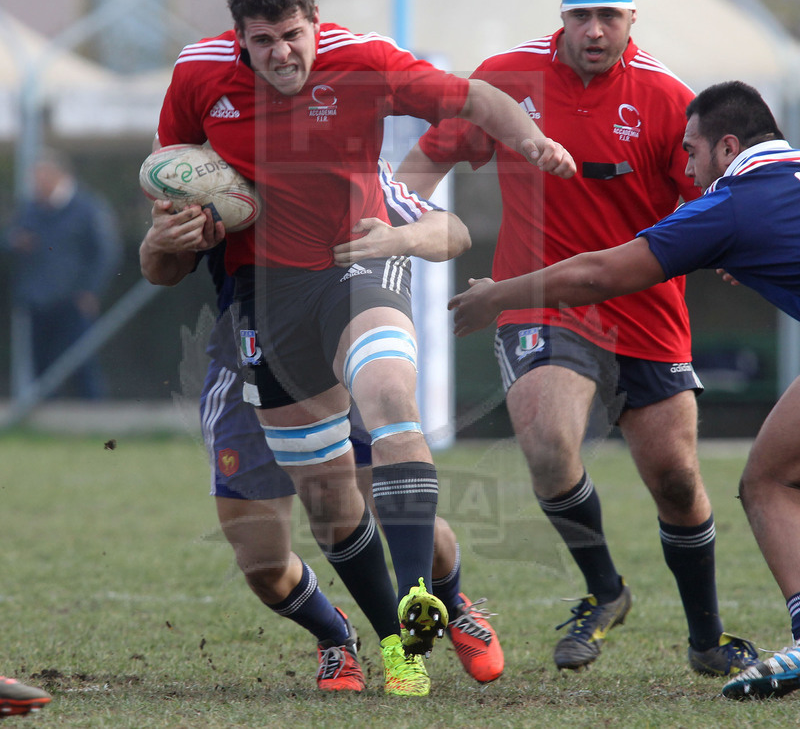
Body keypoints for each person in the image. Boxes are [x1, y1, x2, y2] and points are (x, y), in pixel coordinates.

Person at [152, 0, 573, 695]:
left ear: (316, 25)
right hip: (258, 302)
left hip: (355, 267)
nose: (281, 53)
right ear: (239, 40)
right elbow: (169, 198)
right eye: (262, 42)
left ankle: (432, 599)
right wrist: (166, 237)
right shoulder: (199, 78)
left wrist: (529, 142)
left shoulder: (364, 73)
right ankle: (375, 640)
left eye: (291, 35)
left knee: (388, 400)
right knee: (313, 510)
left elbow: (468, 128)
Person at [397, 0, 757, 676]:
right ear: (560, 15)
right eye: (580, 15)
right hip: (540, 302)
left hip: (646, 309)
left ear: (632, 16)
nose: (594, 30)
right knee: (547, 441)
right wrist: (391, 217)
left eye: (608, 16)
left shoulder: (667, 99)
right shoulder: (505, 80)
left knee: (677, 479)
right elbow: (428, 157)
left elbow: (708, 202)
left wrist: (733, 247)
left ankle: (706, 641)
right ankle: (603, 592)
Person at [446, 80, 800, 700]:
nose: (686, 167)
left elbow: (598, 272)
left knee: (768, 483)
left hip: (631, 327)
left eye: (691, 152)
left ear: (727, 146)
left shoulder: (732, 203)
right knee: (767, 477)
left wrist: (496, 296)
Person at [139, 159, 505, 694]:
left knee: (395, 512)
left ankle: (447, 604)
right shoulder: (216, 172)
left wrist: (396, 238)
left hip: (333, 347)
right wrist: (161, 238)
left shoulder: (334, 153)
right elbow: (160, 269)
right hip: (246, 354)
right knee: (262, 562)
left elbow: (450, 229)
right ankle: (337, 637)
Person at [4, 149, 120, 399]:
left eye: (39, 177)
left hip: (73, 302)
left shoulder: (88, 207)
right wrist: (15, 241)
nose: (35, 184)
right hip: (39, 301)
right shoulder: (31, 209)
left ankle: (97, 422)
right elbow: (9, 238)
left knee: (82, 363)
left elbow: (106, 253)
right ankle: (44, 427)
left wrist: (90, 290)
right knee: (42, 368)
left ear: (57, 175)